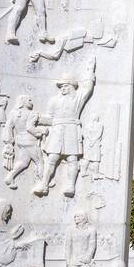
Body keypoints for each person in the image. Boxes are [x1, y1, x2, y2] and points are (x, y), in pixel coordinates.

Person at [35, 58, 96, 197]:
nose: (63, 88)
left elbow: (88, 87)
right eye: (61, 86)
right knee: (52, 157)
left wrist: (89, 70)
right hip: (57, 129)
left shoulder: (77, 98)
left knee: (72, 158)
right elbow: (50, 118)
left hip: (71, 129)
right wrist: (39, 119)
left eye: (66, 85)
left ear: (72, 87)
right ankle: (44, 183)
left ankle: (70, 185)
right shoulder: (54, 101)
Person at [3, 94, 45, 190]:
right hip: (30, 140)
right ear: (23, 102)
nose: (31, 102)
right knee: (39, 161)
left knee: (23, 162)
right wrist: (40, 133)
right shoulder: (32, 113)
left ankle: (10, 177)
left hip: (20, 140)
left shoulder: (13, 113)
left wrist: (9, 141)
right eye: (29, 100)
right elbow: (30, 128)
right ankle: (42, 182)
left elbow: (8, 127)